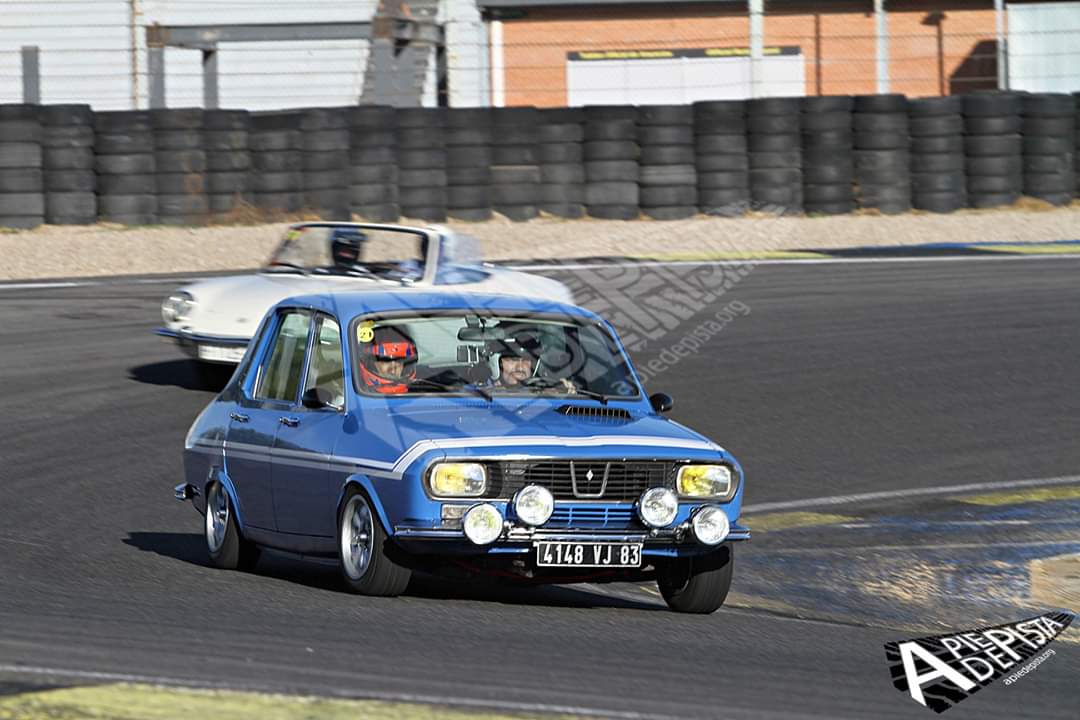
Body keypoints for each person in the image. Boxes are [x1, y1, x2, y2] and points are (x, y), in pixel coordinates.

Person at [490, 330, 574, 392]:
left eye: (526, 360)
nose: (520, 367)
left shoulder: (545, 392)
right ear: (497, 363)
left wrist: (566, 394)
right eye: (513, 359)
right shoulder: (483, 394)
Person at [358, 326, 417, 394]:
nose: (393, 370)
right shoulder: (355, 393)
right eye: (386, 360)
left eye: (399, 361)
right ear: (372, 363)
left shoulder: (419, 393)